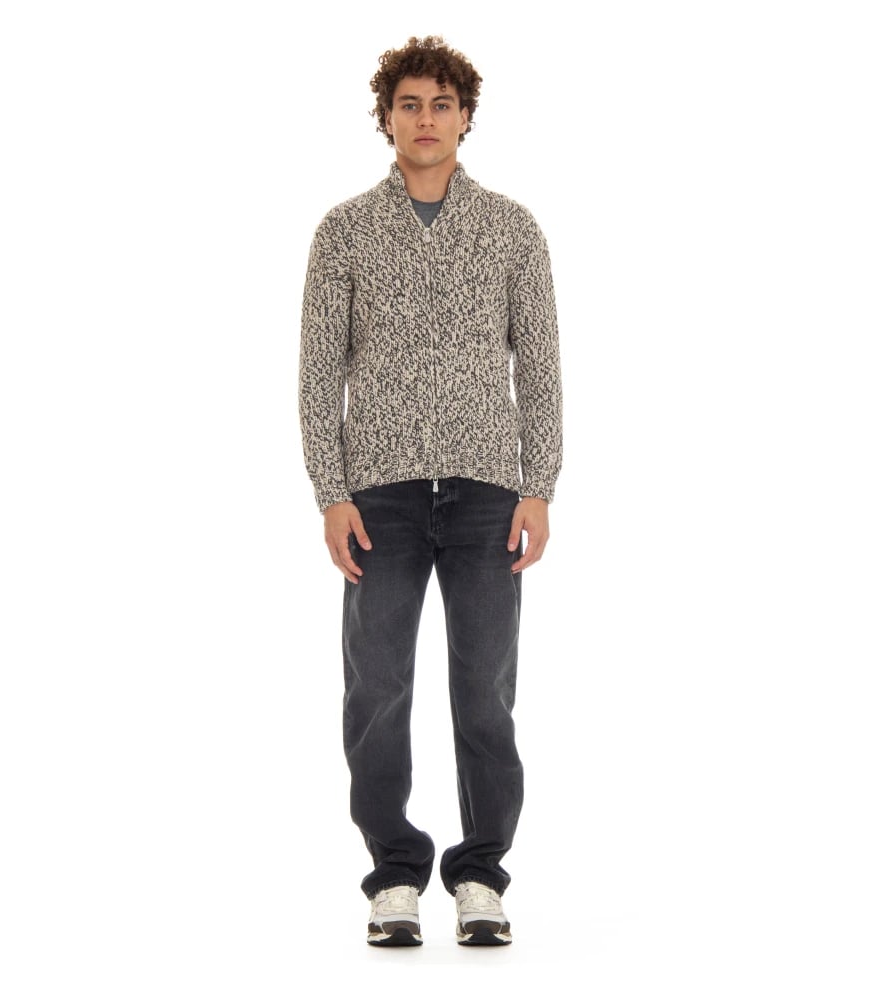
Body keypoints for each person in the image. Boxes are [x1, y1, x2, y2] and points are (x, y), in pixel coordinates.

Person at [298, 35, 563, 947]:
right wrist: (331, 491)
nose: (425, 119)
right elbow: (316, 373)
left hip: (489, 490)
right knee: (377, 684)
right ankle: (394, 876)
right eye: (408, 103)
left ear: (465, 117)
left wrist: (539, 484)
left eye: (441, 104)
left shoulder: (513, 229)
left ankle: (482, 873)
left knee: (485, 689)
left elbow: (542, 366)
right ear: (386, 117)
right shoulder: (343, 232)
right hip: (381, 496)